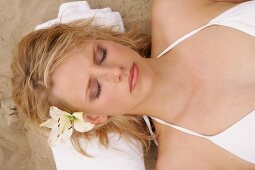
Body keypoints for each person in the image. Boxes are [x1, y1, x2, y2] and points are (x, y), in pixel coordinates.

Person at [11, 0, 255, 169]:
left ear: (101, 38)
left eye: (101, 55)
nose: (116, 72)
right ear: (95, 117)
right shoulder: (187, 163)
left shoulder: (176, 8)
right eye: (96, 89)